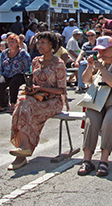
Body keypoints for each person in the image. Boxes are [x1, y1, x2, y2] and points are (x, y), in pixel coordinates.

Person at [8, 32, 69, 170]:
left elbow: (62, 90)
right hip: (37, 98)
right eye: (38, 43)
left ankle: (23, 150)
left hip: (53, 101)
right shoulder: (36, 61)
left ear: (51, 45)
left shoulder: (58, 64)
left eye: (43, 43)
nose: (39, 46)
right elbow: (34, 82)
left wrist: (41, 88)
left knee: (26, 107)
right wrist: (30, 89)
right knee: (21, 103)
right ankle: (23, 148)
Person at [77, 36, 112, 177]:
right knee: (90, 121)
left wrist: (102, 69)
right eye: (98, 51)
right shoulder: (100, 63)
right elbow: (85, 80)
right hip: (100, 103)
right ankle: (87, 159)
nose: (100, 54)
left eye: (103, 50)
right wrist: (90, 67)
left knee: (109, 121)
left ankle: (104, 160)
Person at [0, 33, 32, 113]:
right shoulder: (4, 53)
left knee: (14, 83)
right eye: (9, 42)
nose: (11, 43)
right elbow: (1, 65)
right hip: (7, 74)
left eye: (13, 42)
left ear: (17, 43)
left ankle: (13, 104)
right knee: (0, 83)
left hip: (19, 74)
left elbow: (28, 65)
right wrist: (0, 74)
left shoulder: (22, 53)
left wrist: (26, 75)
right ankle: (0, 105)